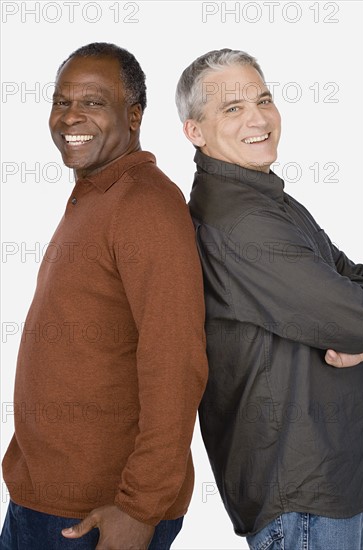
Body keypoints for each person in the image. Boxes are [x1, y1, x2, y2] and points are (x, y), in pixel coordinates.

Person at [1, 42, 208, 550]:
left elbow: (176, 362)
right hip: (42, 501)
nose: (70, 116)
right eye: (61, 101)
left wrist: (139, 509)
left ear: (133, 116)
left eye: (93, 102)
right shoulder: (97, 194)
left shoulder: (146, 204)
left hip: (96, 516)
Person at [175, 48, 363, 549]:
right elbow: (354, 316)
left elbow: (351, 279)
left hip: (329, 484)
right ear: (194, 131)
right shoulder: (242, 223)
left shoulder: (264, 197)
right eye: (232, 108)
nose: (258, 118)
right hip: (304, 498)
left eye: (263, 99)